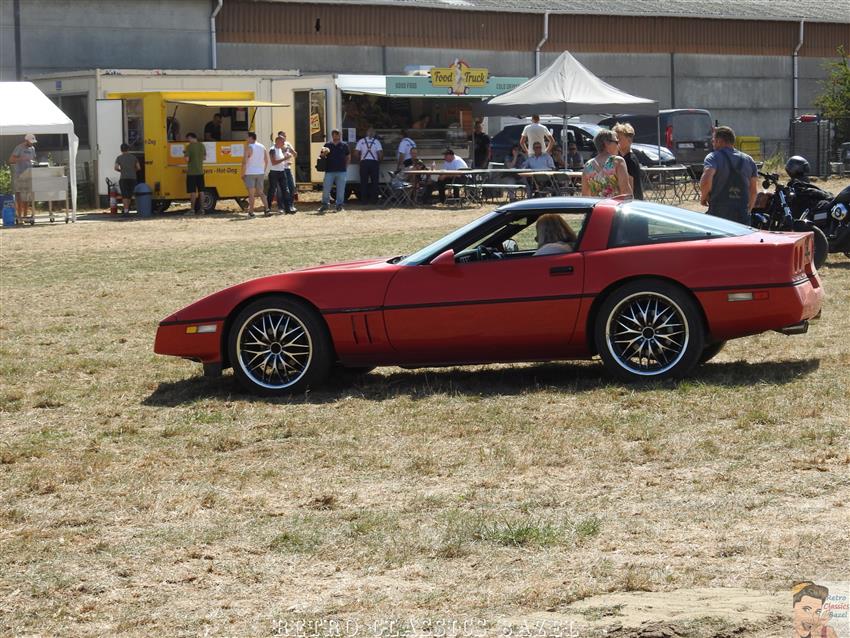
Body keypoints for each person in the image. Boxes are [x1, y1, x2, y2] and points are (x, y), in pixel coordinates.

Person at [700, 125, 757, 225]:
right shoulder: (749, 160)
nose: (712, 144)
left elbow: (706, 179)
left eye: (713, 141)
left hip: (719, 213)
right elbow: (753, 190)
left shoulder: (713, 157)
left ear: (718, 141)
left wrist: (703, 197)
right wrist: (748, 210)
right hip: (741, 214)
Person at [582, 129, 631, 198]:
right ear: (606, 143)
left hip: (597, 204)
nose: (619, 145)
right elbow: (625, 191)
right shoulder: (617, 161)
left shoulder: (588, 165)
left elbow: (585, 195)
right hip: (614, 204)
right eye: (616, 142)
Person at [318, 129, 350, 214]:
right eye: (334, 134)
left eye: (337, 134)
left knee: (341, 190)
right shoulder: (327, 145)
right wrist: (324, 153)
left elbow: (348, 156)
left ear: (340, 135)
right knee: (326, 189)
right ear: (332, 136)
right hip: (329, 171)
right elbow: (321, 156)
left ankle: (339, 205)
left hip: (342, 171)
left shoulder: (344, 145)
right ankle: (325, 205)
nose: (336, 136)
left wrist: (346, 166)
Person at [8, 133, 37, 224]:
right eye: (31, 142)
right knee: (19, 197)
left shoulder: (32, 149)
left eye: (33, 142)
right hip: (19, 175)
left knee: (27, 197)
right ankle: (19, 216)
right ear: (26, 140)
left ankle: (25, 216)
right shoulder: (19, 148)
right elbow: (11, 160)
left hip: (28, 175)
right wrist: (21, 158)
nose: (32, 143)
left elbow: (34, 159)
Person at [241, 131, 270, 217]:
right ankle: (267, 209)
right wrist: (263, 170)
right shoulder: (262, 147)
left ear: (251, 138)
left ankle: (251, 212)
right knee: (261, 192)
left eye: (247, 137)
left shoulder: (249, 147)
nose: (246, 139)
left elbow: (244, 162)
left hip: (250, 173)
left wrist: (242, 173)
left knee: (251, 194)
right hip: (260, 172)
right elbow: (266, 160)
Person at [613, 122, 643, 200]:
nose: (616, 141)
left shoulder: (630, 160)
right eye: (615, 138)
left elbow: (629, 185)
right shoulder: (619, 157)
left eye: (619, 138)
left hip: (632, 200)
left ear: (629, 140)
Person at [355, 127, 383, 205]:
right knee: (375, 182)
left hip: (364, 163)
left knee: (364, 182)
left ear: (366, 133)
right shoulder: (376, 142)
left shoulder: (361, 141)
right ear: (374, 134)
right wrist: (379, 162)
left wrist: (359, 161)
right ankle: (374, 200)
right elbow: (380, 154)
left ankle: (364, 200)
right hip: (374, 163)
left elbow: (356, 153)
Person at [267, 135, 295, 214]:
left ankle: (288, 208)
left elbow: (280, 162)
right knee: (272, 191)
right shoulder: (272, 150)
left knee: (285, 190)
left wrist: (286, 163)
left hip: (281, 171)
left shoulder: (280, 149)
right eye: (282, 142)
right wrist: (285, 159)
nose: (284, 143)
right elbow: (274, 162)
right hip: (274, 172)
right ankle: (267, 208)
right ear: (277, 141)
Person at [183, 132, 207, 214]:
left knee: (193, 192)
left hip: (191, 173)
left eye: (188, 139)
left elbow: (187, 160)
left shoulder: (189, 147)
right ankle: (202, 209)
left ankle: (192, 210)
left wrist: (184, 154)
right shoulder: (202, 145)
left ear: (190, 137)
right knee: (201, 191)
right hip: (200, 172)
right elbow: (204, 158)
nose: (188, 141)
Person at [114, 143, 141, 214]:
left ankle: (126, 210)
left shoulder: (119, 158)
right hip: (132, 178)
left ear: (121, 150)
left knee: (124, 195)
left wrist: (121, 171)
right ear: (128, 149)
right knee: (129, 195)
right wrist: (133, 171)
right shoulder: (134, 157)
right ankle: (128, 208)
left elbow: (116, 168)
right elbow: (138, 168)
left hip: (123, 178)